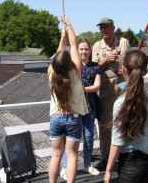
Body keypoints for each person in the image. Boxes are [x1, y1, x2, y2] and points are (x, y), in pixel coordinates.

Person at [104, 50, 148, 183]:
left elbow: (117, 142)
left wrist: (108, 171)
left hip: (129, 164)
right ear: (145, 72)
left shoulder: (121, 103)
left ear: (123, 69)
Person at [48, 16, 89, 183]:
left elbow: (59, 57)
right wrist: (69, 24)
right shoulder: (76, 71)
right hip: (73, 118)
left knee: (56, 155)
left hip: (56, 117)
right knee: (71, 157)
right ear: (70, 63)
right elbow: (74, 46)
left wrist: (61, 39)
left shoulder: (51, 73)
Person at [92, 17, 131, 169]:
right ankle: (105, 157)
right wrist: (106, 59)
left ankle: (123, 155)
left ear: (113, 28)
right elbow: (94, 69)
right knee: (105, 124)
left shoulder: (123, 42)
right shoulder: (97, 46)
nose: (103, 30)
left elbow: (130, 62)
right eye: (101, 27)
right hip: (106, 90)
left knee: (124, 122)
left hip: (122, 87)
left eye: (106, 27)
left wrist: (125, 69)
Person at [60, 38, 101, 179]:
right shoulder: (72, 66)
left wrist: (82, 89)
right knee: (71, 139)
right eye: (81, 49)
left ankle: (87, 164)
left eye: (86, 49)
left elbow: (97, 86)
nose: (83, 52)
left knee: (89, 138)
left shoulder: (95, 66)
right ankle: (65, 168)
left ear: (90, 51)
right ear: (77, 51)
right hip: (74, 108)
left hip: (89, 107)